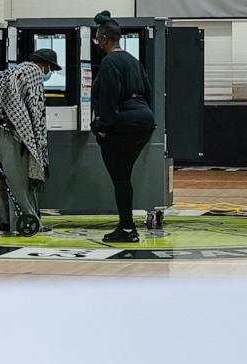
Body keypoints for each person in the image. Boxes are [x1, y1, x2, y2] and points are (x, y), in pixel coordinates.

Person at [0, 49, 59, 235]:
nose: (50, 73)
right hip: (7, 130)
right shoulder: (33, 72)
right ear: (46, 65)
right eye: (51, 69)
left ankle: (4, 222)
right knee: (20, 179)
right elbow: (35, 109)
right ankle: (27, 221)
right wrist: (37, 143)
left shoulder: (17, 69)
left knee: (8, 177)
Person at [92, 10, 156, 243]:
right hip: (145, 121)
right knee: (124, 175)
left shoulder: (110, 62)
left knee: (120, 178)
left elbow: (109, 95)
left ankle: (127, 229)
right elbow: (149, 90)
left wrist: (103, 126)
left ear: (104, 39)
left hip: (123, 123)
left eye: (97, 39)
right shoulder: (133, 60)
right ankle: (128, 227)